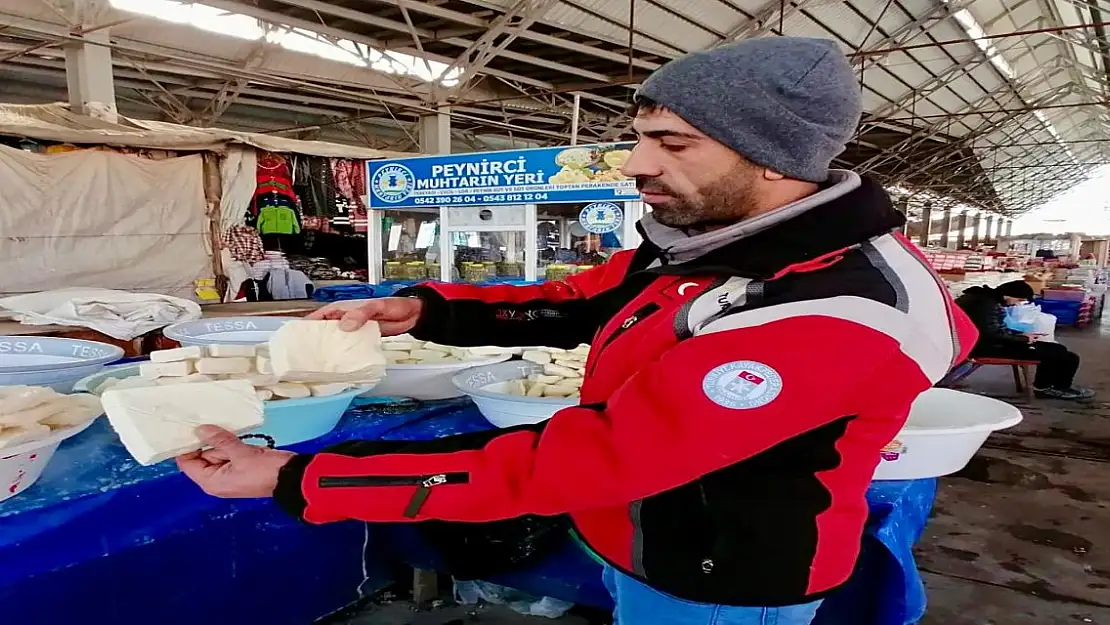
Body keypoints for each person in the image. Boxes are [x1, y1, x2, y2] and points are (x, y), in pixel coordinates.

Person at [178, 37, 977, 625]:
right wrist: (426, 309)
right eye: (640, 136)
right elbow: (584, 297)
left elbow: (593, 456)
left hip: (721, 582)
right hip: (645, 538)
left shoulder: (836, 312)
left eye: (672, 143)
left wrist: (299, 479)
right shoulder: (715, 236)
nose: (634, 164)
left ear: (775, 160)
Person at [955, 280, 1092, 400]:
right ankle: (1046, 388)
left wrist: (1022, 335)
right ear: (1008, 295)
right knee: (1057, 352)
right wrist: (1023, 338)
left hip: (988, 343)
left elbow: (993, 330)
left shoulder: (986, 300)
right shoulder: (985, 305)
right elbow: (991, 334)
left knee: (1063, 353)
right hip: (986, 347)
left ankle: (1054, 386)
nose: (1017, 305)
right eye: (1019, 300)